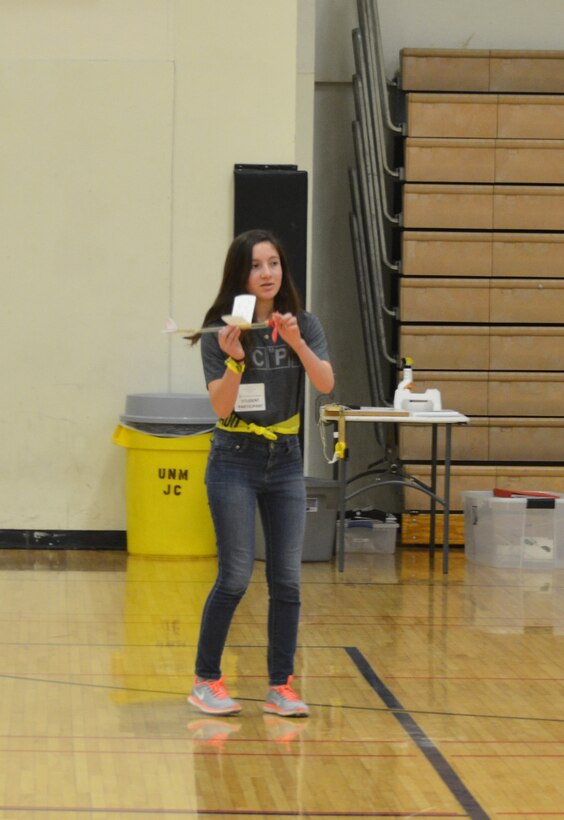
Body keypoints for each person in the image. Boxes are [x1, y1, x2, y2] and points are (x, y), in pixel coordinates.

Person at [187, 228, 334, 718]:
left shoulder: (303, 324)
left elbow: (326, 382)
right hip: (233, 457)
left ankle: (281, 685)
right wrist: (234, 361)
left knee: (287, 580)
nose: (267, 273)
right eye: (255, 265)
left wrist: (296, 341)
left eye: (273, 263)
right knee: (234, 576)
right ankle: (206, 680)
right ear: (240, 273)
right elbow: (222, 405)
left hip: (286, 460)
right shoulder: (221, 330)